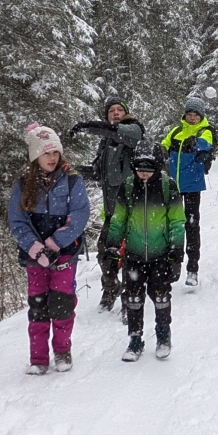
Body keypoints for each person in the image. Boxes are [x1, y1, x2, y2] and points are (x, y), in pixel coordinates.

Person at [7, 124, 92, 375]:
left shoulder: (72, 179)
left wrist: (55, 243)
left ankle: (62, 350)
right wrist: (36, 249)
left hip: (64, 252)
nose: (52, 157)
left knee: (62, 303)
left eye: (55, 152)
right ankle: (38, 358)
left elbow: (79, 213)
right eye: (46, 153)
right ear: (35, 156)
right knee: (38, 305)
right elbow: (17, 220)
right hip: (35, 257)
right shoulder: (23, 184)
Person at [105, 141, 186, 361]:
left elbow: (177, 221)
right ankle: (135, 339)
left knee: (161, 296)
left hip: (161, 255)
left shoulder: (168, 186)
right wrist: (113, 248)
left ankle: (162, 335)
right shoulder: (128, 187)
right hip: (134, 254)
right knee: (133, 297)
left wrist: (176, 253)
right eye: (140, 168)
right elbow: (118, 220)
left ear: (157, 166)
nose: (144, 173)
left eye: (149, 168)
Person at [68, 97, 144, 312]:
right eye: (112, 110)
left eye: (120, 109)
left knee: (131, 256)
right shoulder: (106, 143)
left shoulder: (134, 130)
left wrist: (87, 127)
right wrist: (72, 170)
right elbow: (97, 173)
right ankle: (111, 287)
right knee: (105, 254)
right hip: (113, 212)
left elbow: (118, 132)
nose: (116, 113)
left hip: (133, 210)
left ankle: (131, 299)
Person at [161, 96, 215, 286]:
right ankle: (172, 265)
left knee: (191, 226)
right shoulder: (176, 131)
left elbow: (206, 142)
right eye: (189, 114)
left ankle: (193, 268)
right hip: (173, 185)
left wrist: (197, 144)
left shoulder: (205, 130)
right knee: (172, 225)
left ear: (201, 116)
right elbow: (163, 146)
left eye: (195, 115)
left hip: (192, 186)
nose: (192, 118)